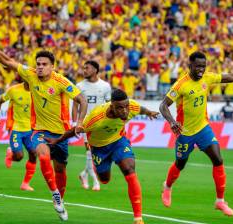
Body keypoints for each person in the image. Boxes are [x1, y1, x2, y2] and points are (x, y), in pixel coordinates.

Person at [0, 35, 87, 221]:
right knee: (43, 154)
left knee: (61, 170)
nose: (39, 67)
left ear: (52, 66)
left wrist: (79, 122)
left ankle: (60, 200)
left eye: (44, 64)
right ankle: (54, 193)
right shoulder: (30, 74)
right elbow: (7, 61)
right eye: (38, 63)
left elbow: (82, 100)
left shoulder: (61, 82)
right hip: (39, 130)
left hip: (61, 134)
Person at [159, 51, 233, 216]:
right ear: (190, 65)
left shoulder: (208, 77)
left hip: (203, 128)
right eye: (198, 66)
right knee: (180, 163)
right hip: (185, 132)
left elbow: (230, 77)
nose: (201, 70)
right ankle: (167, 187)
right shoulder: (180, 84)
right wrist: (172, 122)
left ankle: (220, 201)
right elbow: (163, 105)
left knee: (218, 159)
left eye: (203, 66)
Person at [46, 89, 159, 224]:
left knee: (129, 169)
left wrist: (149, 113)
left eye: (126, 106)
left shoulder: (131, 107)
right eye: (120, 108)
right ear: (111, 106)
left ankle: (138, 218)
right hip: (99, 148)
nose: (125, 111)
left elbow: (141, 109)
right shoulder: (96, 118)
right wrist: (57, 140)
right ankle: (96, 166)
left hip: (118, 141)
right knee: (104, 179)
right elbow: (75, 130)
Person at [72, 60, 111, 191]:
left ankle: (84, 174)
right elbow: (75, 105)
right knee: (90, 153)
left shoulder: (105, 86)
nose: (84, 70)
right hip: (85, 124)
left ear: (95, 70)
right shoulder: (79, 85)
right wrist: (74, 121)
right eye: (84, 68)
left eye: (87, 68)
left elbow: (109, 105)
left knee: (97, 154)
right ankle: (95, 181)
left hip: (100, 125)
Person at [0, 79, 37, 191]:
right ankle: (11, 154)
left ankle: (25, 184)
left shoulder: (38, 90)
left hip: (30, 129)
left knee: (33, 154)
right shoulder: (14, 90)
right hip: (16, 128)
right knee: (19, 157)